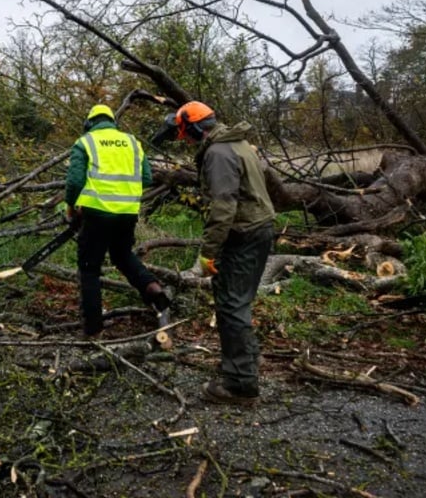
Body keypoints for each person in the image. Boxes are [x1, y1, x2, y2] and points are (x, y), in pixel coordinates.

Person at [165, 100, 275, 404]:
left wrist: (208, 251)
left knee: (231, 305)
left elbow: (223, 207)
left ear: (196, 127)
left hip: (242, 233)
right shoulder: (237, 144)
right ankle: (247, 361)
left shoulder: (218, 153)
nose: (184, 139)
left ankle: (240, 384)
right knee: (241, 301)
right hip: (258, 228)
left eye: (185, 132)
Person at [64, 104, 171, 338]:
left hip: (96, 213)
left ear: (89, 123)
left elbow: (74, 183)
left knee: (90, 269)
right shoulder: (132, 142)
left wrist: (72, 209)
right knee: (122, 255)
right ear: (113, 121)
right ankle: (152, 288)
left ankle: (93, 330)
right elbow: (146, 177)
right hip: (127, 213)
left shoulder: (86, 142)